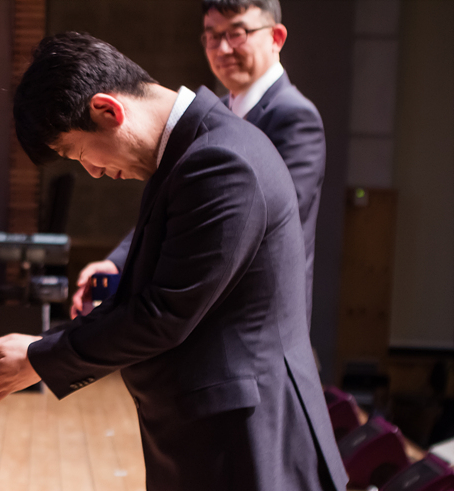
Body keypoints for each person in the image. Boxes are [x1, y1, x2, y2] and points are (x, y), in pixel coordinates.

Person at [0, 32, 347, 491]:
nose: (93, 171)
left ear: (107, 110)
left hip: (251, 470)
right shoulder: (198, 149)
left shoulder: (219, 160)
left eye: (79, 153)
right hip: (235, 465)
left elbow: (164, 315)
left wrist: (39, 357)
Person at [72, 0, 325, 328]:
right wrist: (119, 263)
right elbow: (181, 203)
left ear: (276, 37)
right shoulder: (214, 111)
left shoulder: (294, 115)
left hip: (256, 316)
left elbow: (265, 219)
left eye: (237, 33)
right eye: (212, 36)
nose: (222, 48)